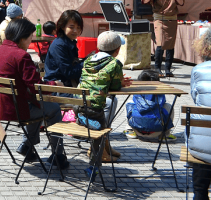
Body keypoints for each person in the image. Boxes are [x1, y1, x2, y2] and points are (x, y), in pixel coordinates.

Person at [0, 18, 67, 167]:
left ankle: (27, 147)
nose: (31, 41)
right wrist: (54, 84)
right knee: (53, 108)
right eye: (30, 37)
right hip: (14, 110)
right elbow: (36, 86)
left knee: (37, 105)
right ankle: (58, 155)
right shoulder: (21, 55)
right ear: (22, 37)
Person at [77, 31, 131, 165]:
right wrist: (120, 82)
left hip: (78, 105)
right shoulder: (115, 63)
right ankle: (100, 154)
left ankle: (105, 145)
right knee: (107, 109)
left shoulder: (89, 60)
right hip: (95, 111)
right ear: (118, 50)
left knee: (110, 102)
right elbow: (115, 86)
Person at [142, 0, 185, 77]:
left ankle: (168, 69)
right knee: (160, 43)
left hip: (172, 20)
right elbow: (145, 0)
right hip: (159, 19)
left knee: (170, 44)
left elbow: (180, 2)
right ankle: (157, 68)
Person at [186, 29, 211, 200]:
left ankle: (200, 196)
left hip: (201, 143)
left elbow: (196, 98)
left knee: (203, 148)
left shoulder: (198, 70)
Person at [124, 69, 175, 140]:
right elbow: (162, 103)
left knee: (129, 102)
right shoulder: (160, 92)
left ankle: (130, 130)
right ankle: (165, 134)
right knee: (167, 106)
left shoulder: (137, 91)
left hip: (137, 129)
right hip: (157, 130)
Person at [43, 10, 83, 87]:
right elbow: (69, 73)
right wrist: (86, 63)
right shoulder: (59, 45)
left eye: (78, 28)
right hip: (58, 88)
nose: (75, 31)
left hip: (68, 85)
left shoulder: (69, 42)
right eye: (71, 27)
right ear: (62, 26)